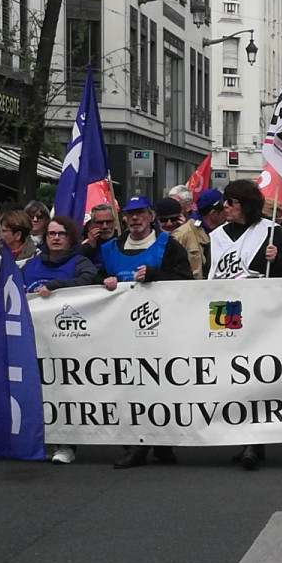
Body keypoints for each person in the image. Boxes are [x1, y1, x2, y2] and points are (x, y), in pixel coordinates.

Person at [100, 196, 192, 469]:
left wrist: (157, 275)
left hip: (161, 330)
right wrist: (102, 281)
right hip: (120, 331)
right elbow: (91, 280)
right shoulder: (109, 248)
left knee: (159, 387)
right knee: (129, 387)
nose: (135, 218)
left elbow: (187, 282)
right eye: (130, 214)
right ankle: (142, 444)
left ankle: (156, 444)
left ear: (151, 216)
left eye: (140, 213)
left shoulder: (168, 245)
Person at [208, 179, 282, 469]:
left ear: (245, 204)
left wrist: (278, 258)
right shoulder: (218, 235)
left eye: (230, 203)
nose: (225, 208)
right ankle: (242, 434)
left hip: (259, 310)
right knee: (232, 373)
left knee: (255, 373)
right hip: (225, 309)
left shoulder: (270, 232)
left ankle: (253, 440)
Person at [21, 216, 98, 465]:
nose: (55, 238)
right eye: (51, 234)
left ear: (71, 238)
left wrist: (56, 286)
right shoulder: (31, 265)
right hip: (33, 337)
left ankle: (65, 444)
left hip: (66, 340)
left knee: (63, 391)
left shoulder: (80, 262)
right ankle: (36, 441)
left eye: (61, 234)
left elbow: (88, 283)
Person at [173, 188, 226, 279]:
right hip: (192, 290)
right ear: (214, 213)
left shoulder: (225, 231)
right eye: (224, 209)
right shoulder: (182, 234)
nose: (227, 212)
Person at [80, 203, 118, 271]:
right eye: (100, 223)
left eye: (108, 222)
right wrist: (89, 247)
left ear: (115, 223)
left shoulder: (123, 241)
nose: (105, 226)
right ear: (91, 225)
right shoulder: (83, 245)